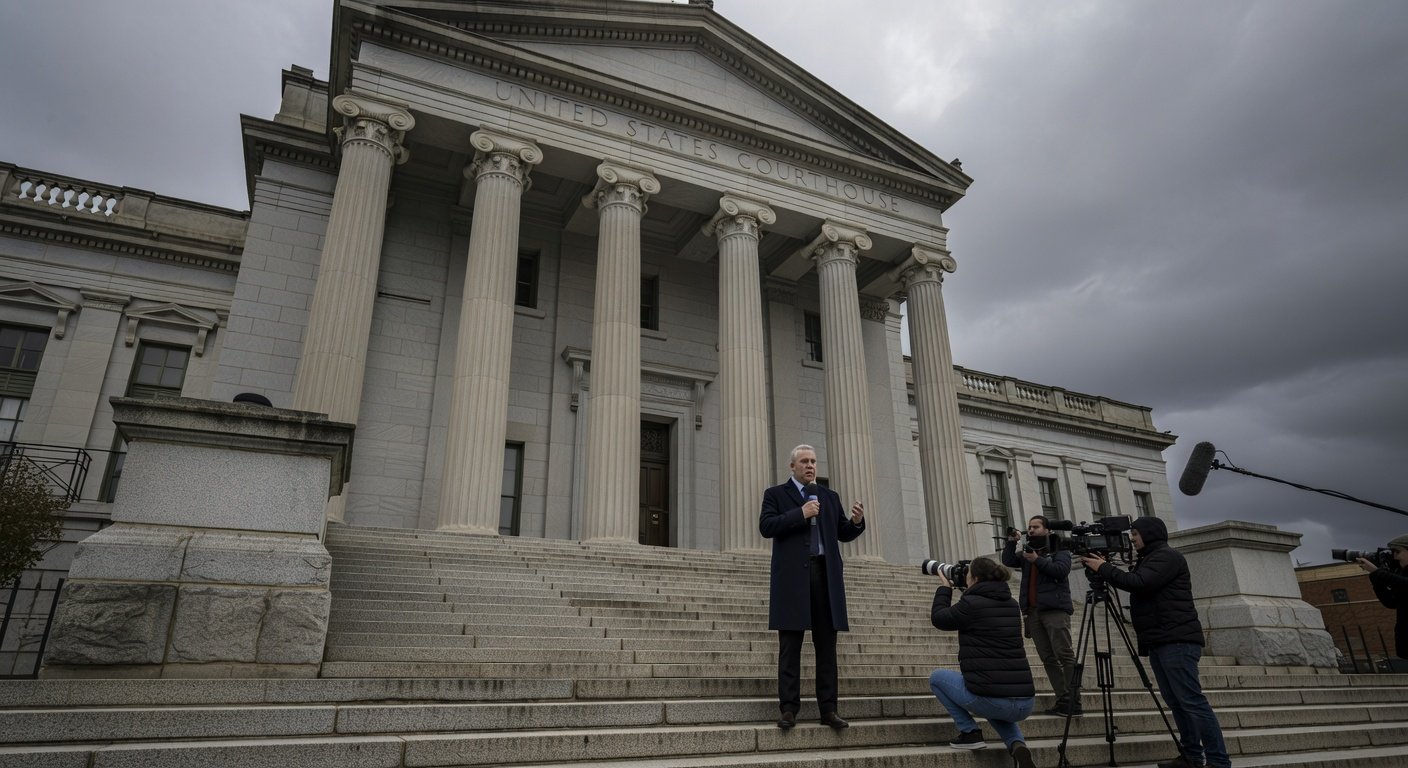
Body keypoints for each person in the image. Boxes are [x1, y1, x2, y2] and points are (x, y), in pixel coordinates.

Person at [1080, 517, 1230, 768]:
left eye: (1136, 534)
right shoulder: (1149, 558)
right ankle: (1192, 756)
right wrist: (1105, 566)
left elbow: (1139, 584)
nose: (1132, 538)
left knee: (1191, 701)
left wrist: (1103, 568)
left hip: (1176, 640)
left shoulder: (1166, 556)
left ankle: (1218, 761)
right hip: (1161, 639)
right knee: (1177, 702)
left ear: (1149, 534)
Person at [759, 444, 865, 730]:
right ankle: (789, 709)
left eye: (814, 461)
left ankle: (828, 709)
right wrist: (801, 513)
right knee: (790, 645)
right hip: (793, 578)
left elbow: (842, 531)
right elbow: (767, 526)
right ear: (792, 466)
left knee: (827, 646)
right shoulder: (776, 495)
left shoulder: (829, 496)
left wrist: (856, 522)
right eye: (804, 461)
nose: (810, 466)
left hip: (825, 575)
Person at [928, 556, 1038, 768]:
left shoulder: (970, 604)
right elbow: (981, 607)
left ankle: (970, 732)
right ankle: (1016, 744)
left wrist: (945, 588)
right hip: (1025, 703)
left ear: (975, 578)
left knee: (937, 678)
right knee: (995, 701)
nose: (965, 577)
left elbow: (939, 618)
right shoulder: (1011, 604)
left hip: (992, 698)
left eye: (968, 574)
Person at [1001, 515, 1078, 716]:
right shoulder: (1028, 553)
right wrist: (1011, 542)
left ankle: (1074, 701)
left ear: (1047, 529)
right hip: (1033, 612)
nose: (1032, 530)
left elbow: (1060, 571)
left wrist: (1038, 560)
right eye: (1029, 527)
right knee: (1047, 657)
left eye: (1036, 526)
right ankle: (1062, 699)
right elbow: (1008, 560)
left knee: (1065, 654)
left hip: (1054, 610)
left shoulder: (1059, 549)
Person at [1356, 534, 1408, 659]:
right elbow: (1391, 601)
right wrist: (1375, 577)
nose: (1394, 556)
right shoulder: (1402, 573)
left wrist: (1377, 572)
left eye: (1397, 551)